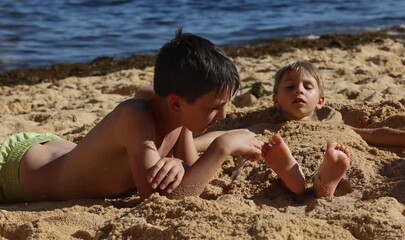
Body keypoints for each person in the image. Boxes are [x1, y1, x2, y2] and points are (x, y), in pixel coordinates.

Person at [0, 29, 263, 203]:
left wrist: (181, 166)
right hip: (14, 170)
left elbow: (193, 171)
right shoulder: (135, 118)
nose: (223, 114)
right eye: (214, 107)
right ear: (175, 103)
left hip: (55, 148)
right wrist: (222, 146)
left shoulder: (174, 112)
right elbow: (160, 199)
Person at [195, 59, 405, 198]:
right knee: (272, 168)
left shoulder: (334, 125)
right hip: (287, 165)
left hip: (324, 160)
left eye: (307, 86)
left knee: (335, 157)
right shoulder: (267, 128)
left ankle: (323, 182)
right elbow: (226, 135)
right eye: (290, 87)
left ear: (320, 101)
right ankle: (298, 179)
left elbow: (372, 134)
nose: (299, 91)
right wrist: (195, 144)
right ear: (276, 99)